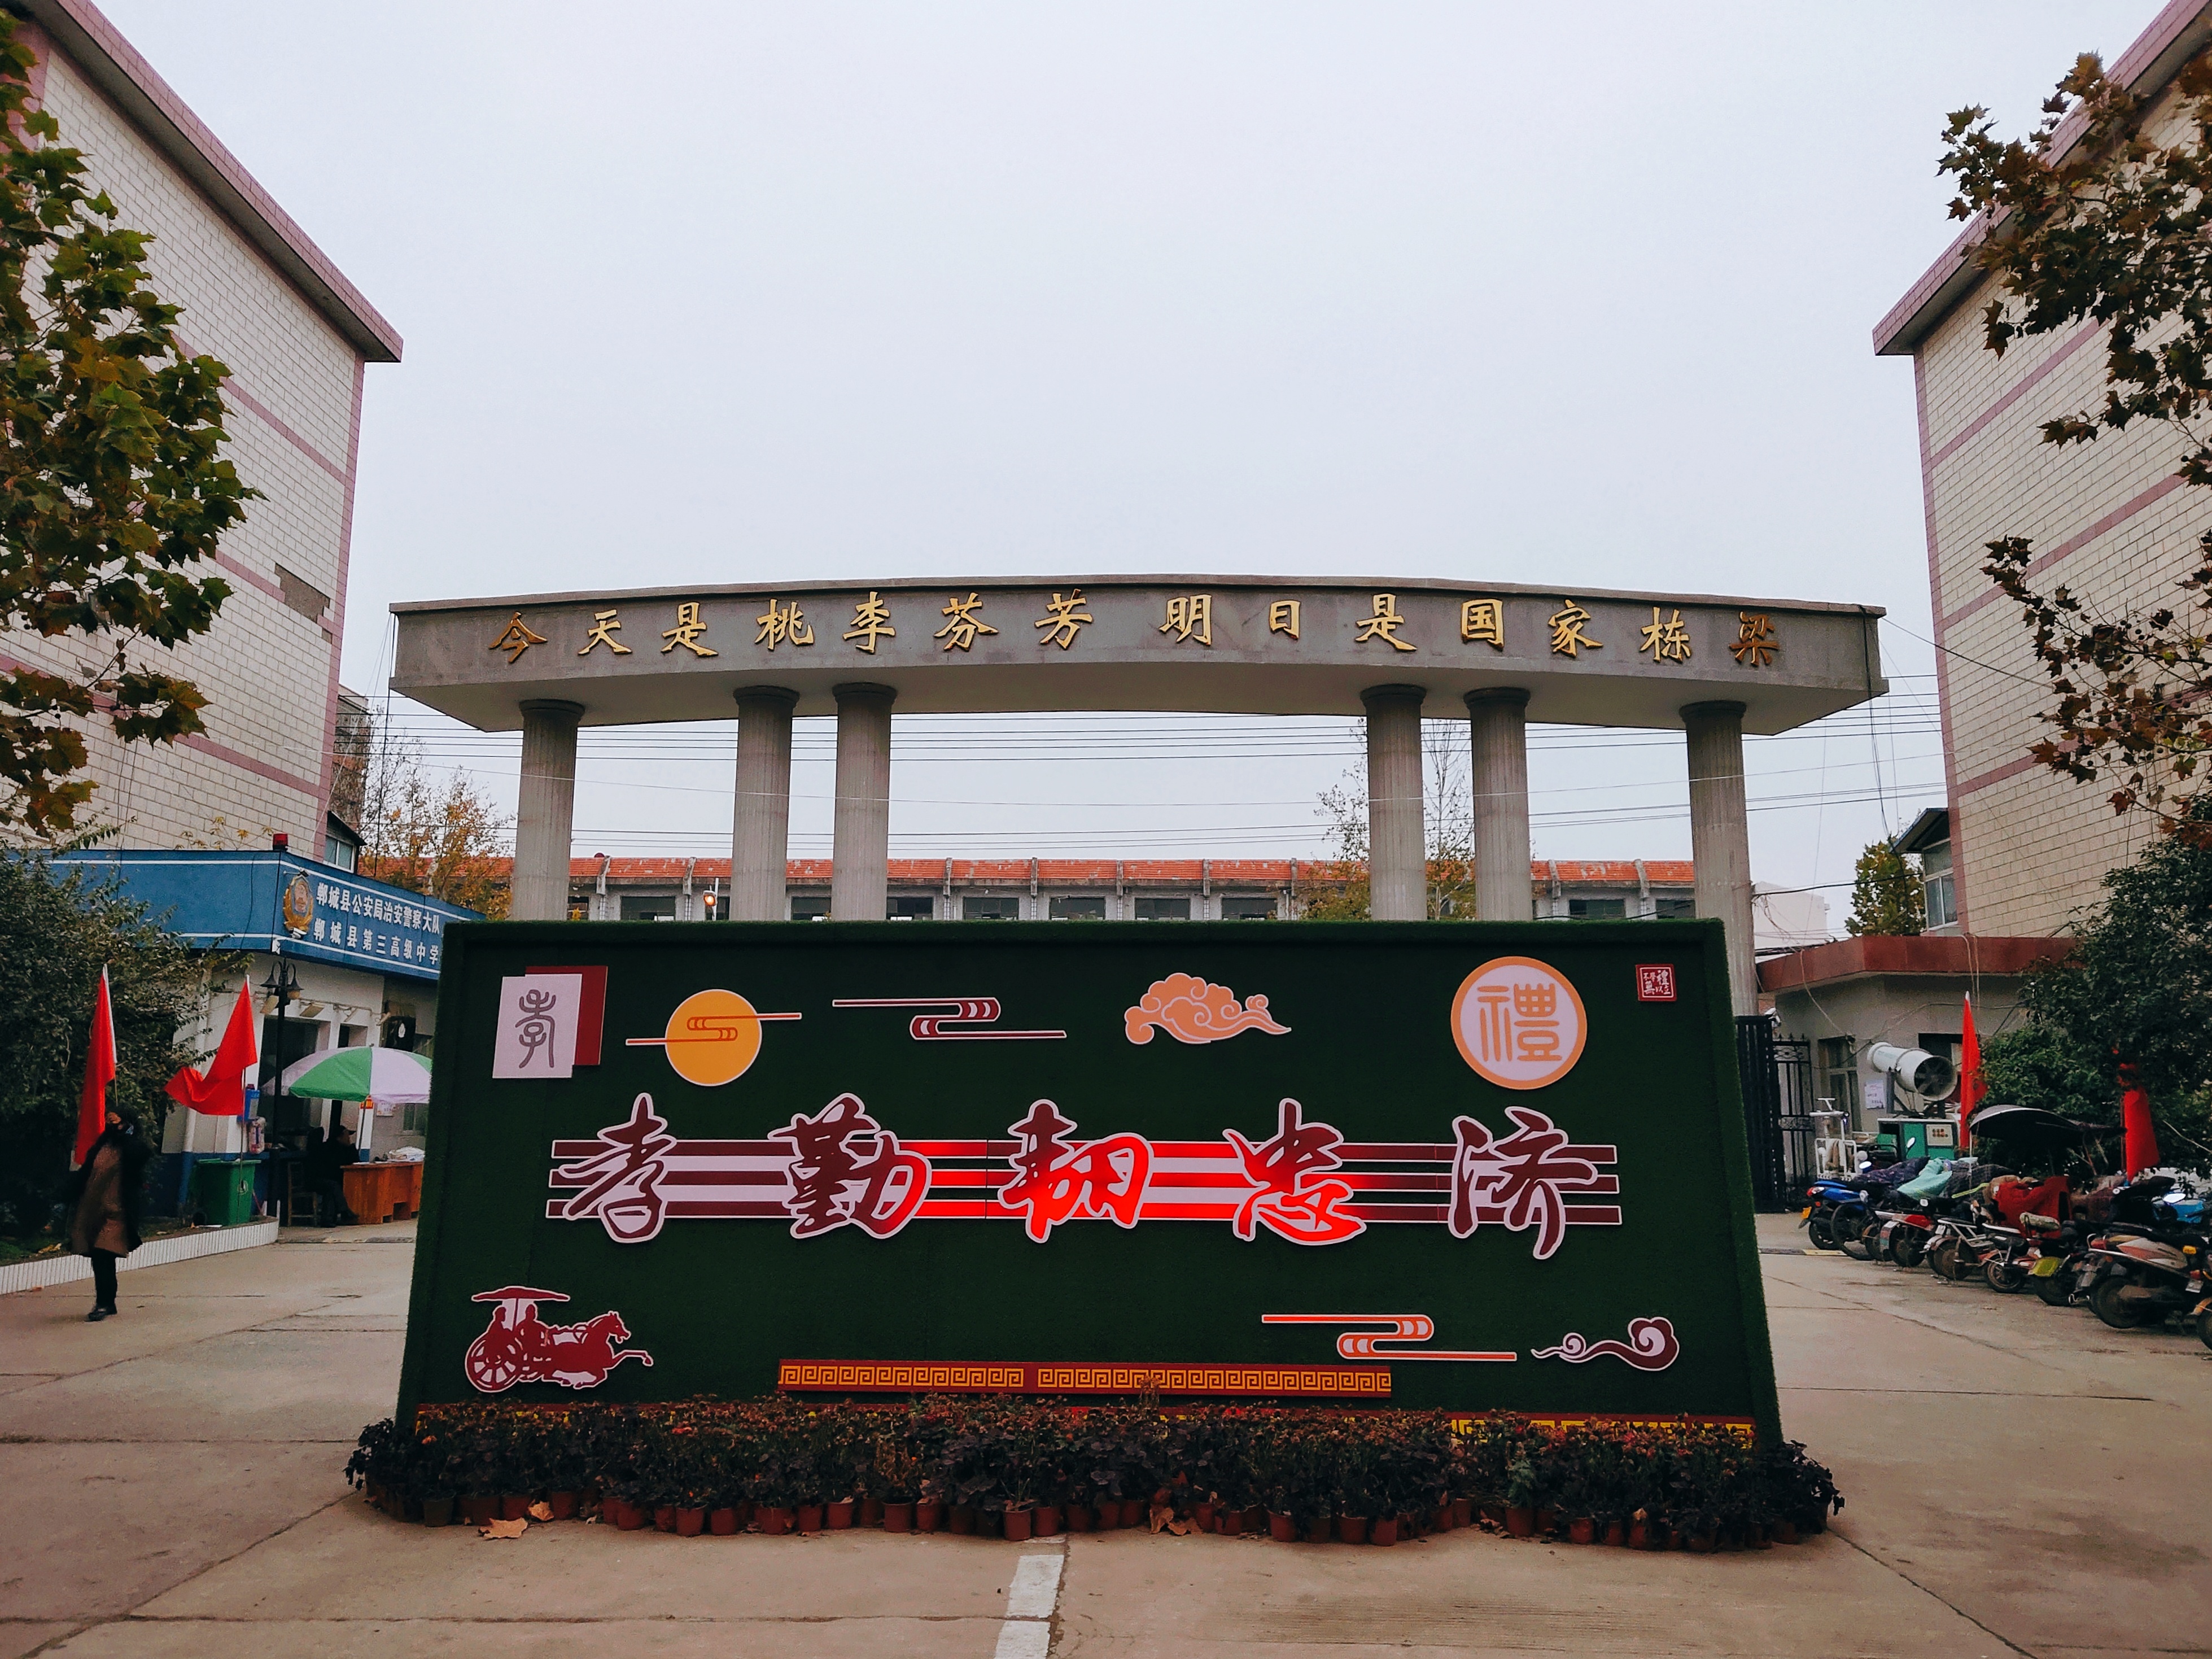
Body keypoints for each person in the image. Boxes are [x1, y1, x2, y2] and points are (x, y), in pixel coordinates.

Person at [65, 1110, 150, 1322]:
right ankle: (107, 1302)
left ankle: (104, 1303)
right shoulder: (102, 1147)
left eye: (117, 1121)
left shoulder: (132, 1148)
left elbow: (140, 1156)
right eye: (109, 1121)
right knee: (98, 1256)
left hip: (117, 1212)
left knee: (104, 1253)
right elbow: (86, 1174)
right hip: (93, 1210)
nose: (112, 1125)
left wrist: (126, 1135)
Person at [304, 1119, 359, 1225]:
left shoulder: (341, 1148)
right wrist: (350, 1148)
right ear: (340, 1137)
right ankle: (345, 1212)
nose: (349, 1139)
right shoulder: (330, 1149)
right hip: (315, 1180)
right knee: (334, 1186)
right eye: (347, 1136)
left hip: (328, 1181)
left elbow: (355, 1160)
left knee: (332, 1189)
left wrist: (351, 1147)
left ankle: (329, 1219)